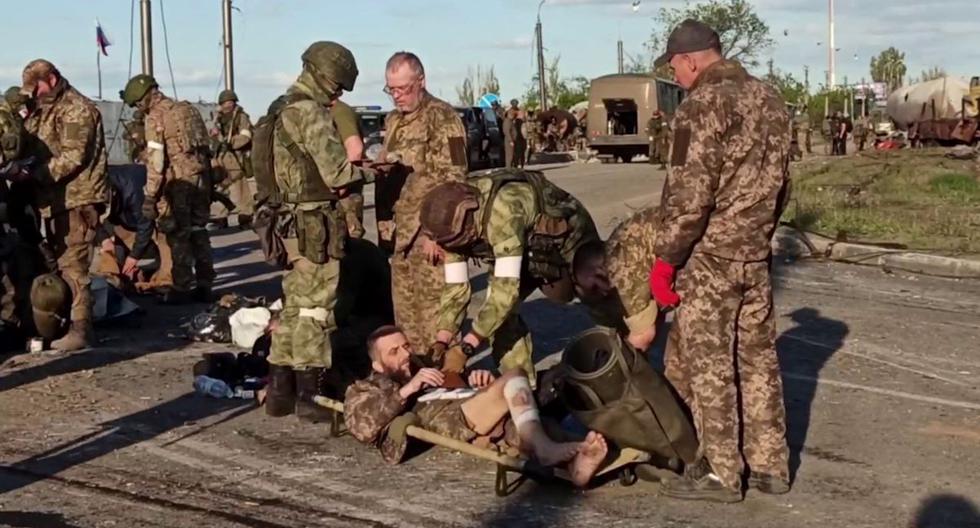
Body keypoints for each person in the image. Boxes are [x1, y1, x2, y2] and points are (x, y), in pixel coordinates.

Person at [649, 19, 791, 502]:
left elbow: (690, 196)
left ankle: (722, 471)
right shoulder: (770, 98)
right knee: (757, 359)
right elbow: (783, 182)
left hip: (710, 257)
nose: (677, 79)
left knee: (711, 363)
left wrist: (666, 259)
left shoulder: (700, 107)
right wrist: (761, 233)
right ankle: (770, 464)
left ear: (689, 60)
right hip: (754, 253)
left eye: (675, 69)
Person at [344, 325, 609, 487]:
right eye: (394, 352)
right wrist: (409, 388)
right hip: (450, 418)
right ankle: (548, 450)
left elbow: (458, 382)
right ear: (377, 365)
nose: (405, 354)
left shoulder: (424, 366)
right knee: (516, 374)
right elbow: (362, 427)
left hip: (472, 404)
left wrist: (478, 381)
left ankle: (578, 467)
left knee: (535, 422)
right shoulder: (366, 389)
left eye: (405, 346)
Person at [261, 41, 374, 422]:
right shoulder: (309, 113)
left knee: (293, 306)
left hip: (287, 222)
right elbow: (337, 173)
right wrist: (373, 170)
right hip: (314, 225)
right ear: (322, 76)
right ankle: (311, 395)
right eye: (337, 85)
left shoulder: (278, 110)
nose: (338, 93)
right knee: (314, 309)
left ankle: (280, 389)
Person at [419, 169, 598, 384]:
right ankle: (522, 387)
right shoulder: (450, 230)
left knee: (597, 291)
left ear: (468, 223)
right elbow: (455, 287)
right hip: (514, 250)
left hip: (565, 241)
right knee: (500, 322)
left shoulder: (504, 211)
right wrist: (443, 338)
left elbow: (504, 294)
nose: (449, 248)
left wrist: (466, 348)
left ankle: (626, 349)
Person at [381, 52, 469, 358]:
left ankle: (448, 380)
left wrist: (438, 234)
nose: (396, 97)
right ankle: (417, 379)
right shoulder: (393, 121)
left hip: (429, 233)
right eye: (390, 90)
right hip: (401, 233)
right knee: (406, 318)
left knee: (436, 316)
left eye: (402, 89)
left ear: (421, 81)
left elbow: (456, 179)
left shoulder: (444, 118)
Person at [21, 59, 109, 351]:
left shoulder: (76, 109)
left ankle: (81, 329)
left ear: (53, 79)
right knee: (61, 263)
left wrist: (35, 174)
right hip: (57, 200)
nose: (34, 94)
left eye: (38, 87)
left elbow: (74, 156)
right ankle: (65, 324)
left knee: (74, 266)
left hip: (78, 199)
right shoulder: (45, 110)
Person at [120, 73, 215, 305]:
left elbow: (156, 162)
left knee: (179, 234)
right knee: (199, 230)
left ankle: (182, 287)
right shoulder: (187, 110)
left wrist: (150, 196)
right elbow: (205, 147)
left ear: (143, 99)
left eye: (136, 104)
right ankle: (205, 284)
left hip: (179, 184)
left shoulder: (155, 119)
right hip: (201, 176)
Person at [571, 207, 660, 352]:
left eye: (595, 287)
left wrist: (614, 365)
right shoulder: (615, 247)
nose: (603, 294)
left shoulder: (621, 267)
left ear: (599, 271)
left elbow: (644, 335)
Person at [94, 164, 172, 292]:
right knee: (116, 239)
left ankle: (166, 280)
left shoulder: (134, 193)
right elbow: (93, 218)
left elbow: (145, 225)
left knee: (165, 237)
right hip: (124, 207)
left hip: (156, 202)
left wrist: (134, 257)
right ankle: (115, 274)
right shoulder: (96, 187)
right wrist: (104, 240)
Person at [209, 89, 254, 229]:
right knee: (222, 188)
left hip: (235, 156)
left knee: (240, 188)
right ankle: (222, 217)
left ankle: (246, 216)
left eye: (230, 102)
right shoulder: (218, 118)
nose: (227, 105)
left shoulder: (241, 117)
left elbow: (246, 137)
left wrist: (230, 142)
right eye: (224, 103)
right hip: (220, 157)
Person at [330, 98, 366, 239]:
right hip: (338, 190)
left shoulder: (340, 112)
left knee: (348, 243)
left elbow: (355, 149)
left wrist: (341, 185)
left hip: (345, 195)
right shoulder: (328, 112)